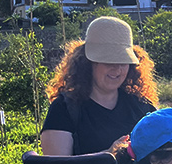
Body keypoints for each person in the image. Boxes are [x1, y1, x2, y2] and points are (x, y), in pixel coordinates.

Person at [41, 15, 158, 156]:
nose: (117, 69)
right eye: (108, 62)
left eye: (123, 61)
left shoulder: (141, 106)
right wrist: (108, 156)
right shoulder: (64, 110)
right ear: (87, 63)